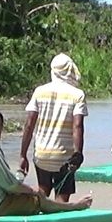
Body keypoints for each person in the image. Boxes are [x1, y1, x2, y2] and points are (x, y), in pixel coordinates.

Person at [0, 108, 93, 216]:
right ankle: (74, 206)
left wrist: (20, 175)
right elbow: (9, 185)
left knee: (25, 192)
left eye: (0, 125)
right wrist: (33, 190)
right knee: (37, 200)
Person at [22, 53, 88, 202]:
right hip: (65, 157)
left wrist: (22, 155)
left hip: (42, 155)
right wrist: (78, 154)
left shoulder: (40, 91)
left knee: (42, 192)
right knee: (62, 199)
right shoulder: (77, 95)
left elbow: (29, 124)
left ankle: (38, 220)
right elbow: (77, 126)